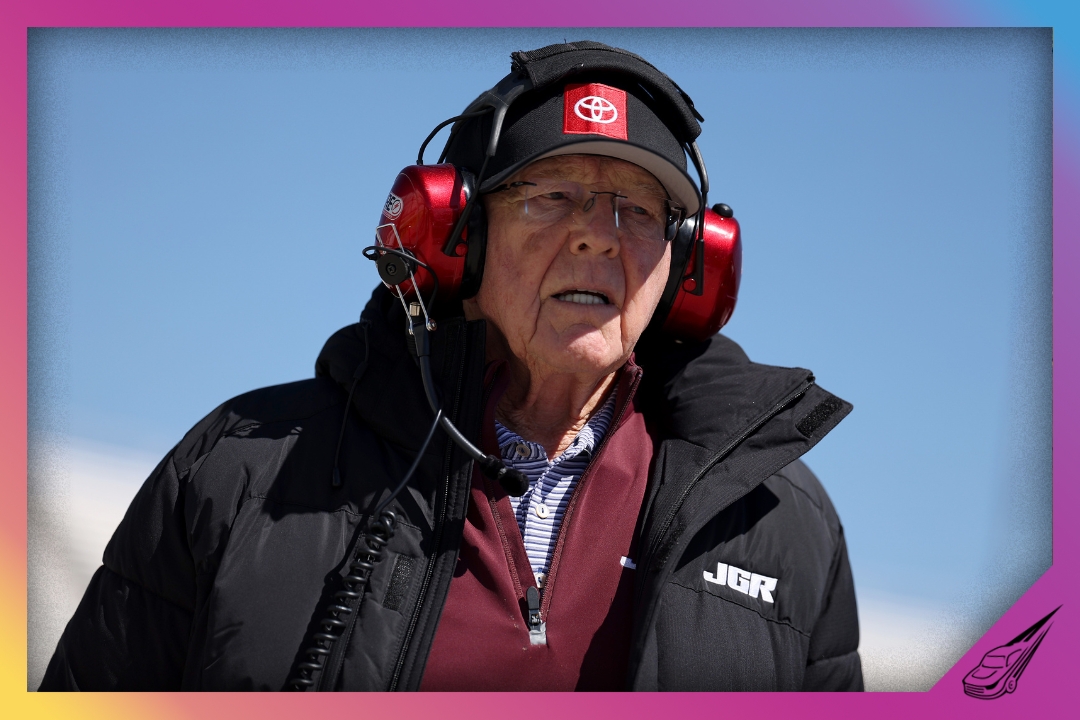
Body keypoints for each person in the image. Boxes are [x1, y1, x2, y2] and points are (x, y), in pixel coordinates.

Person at [40, 41, 861, 692]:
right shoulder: (241, 469)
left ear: (688, 269)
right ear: (453, 240)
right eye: (551, 195)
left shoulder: (780, 523)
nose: (599, 236)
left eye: (639, 211)